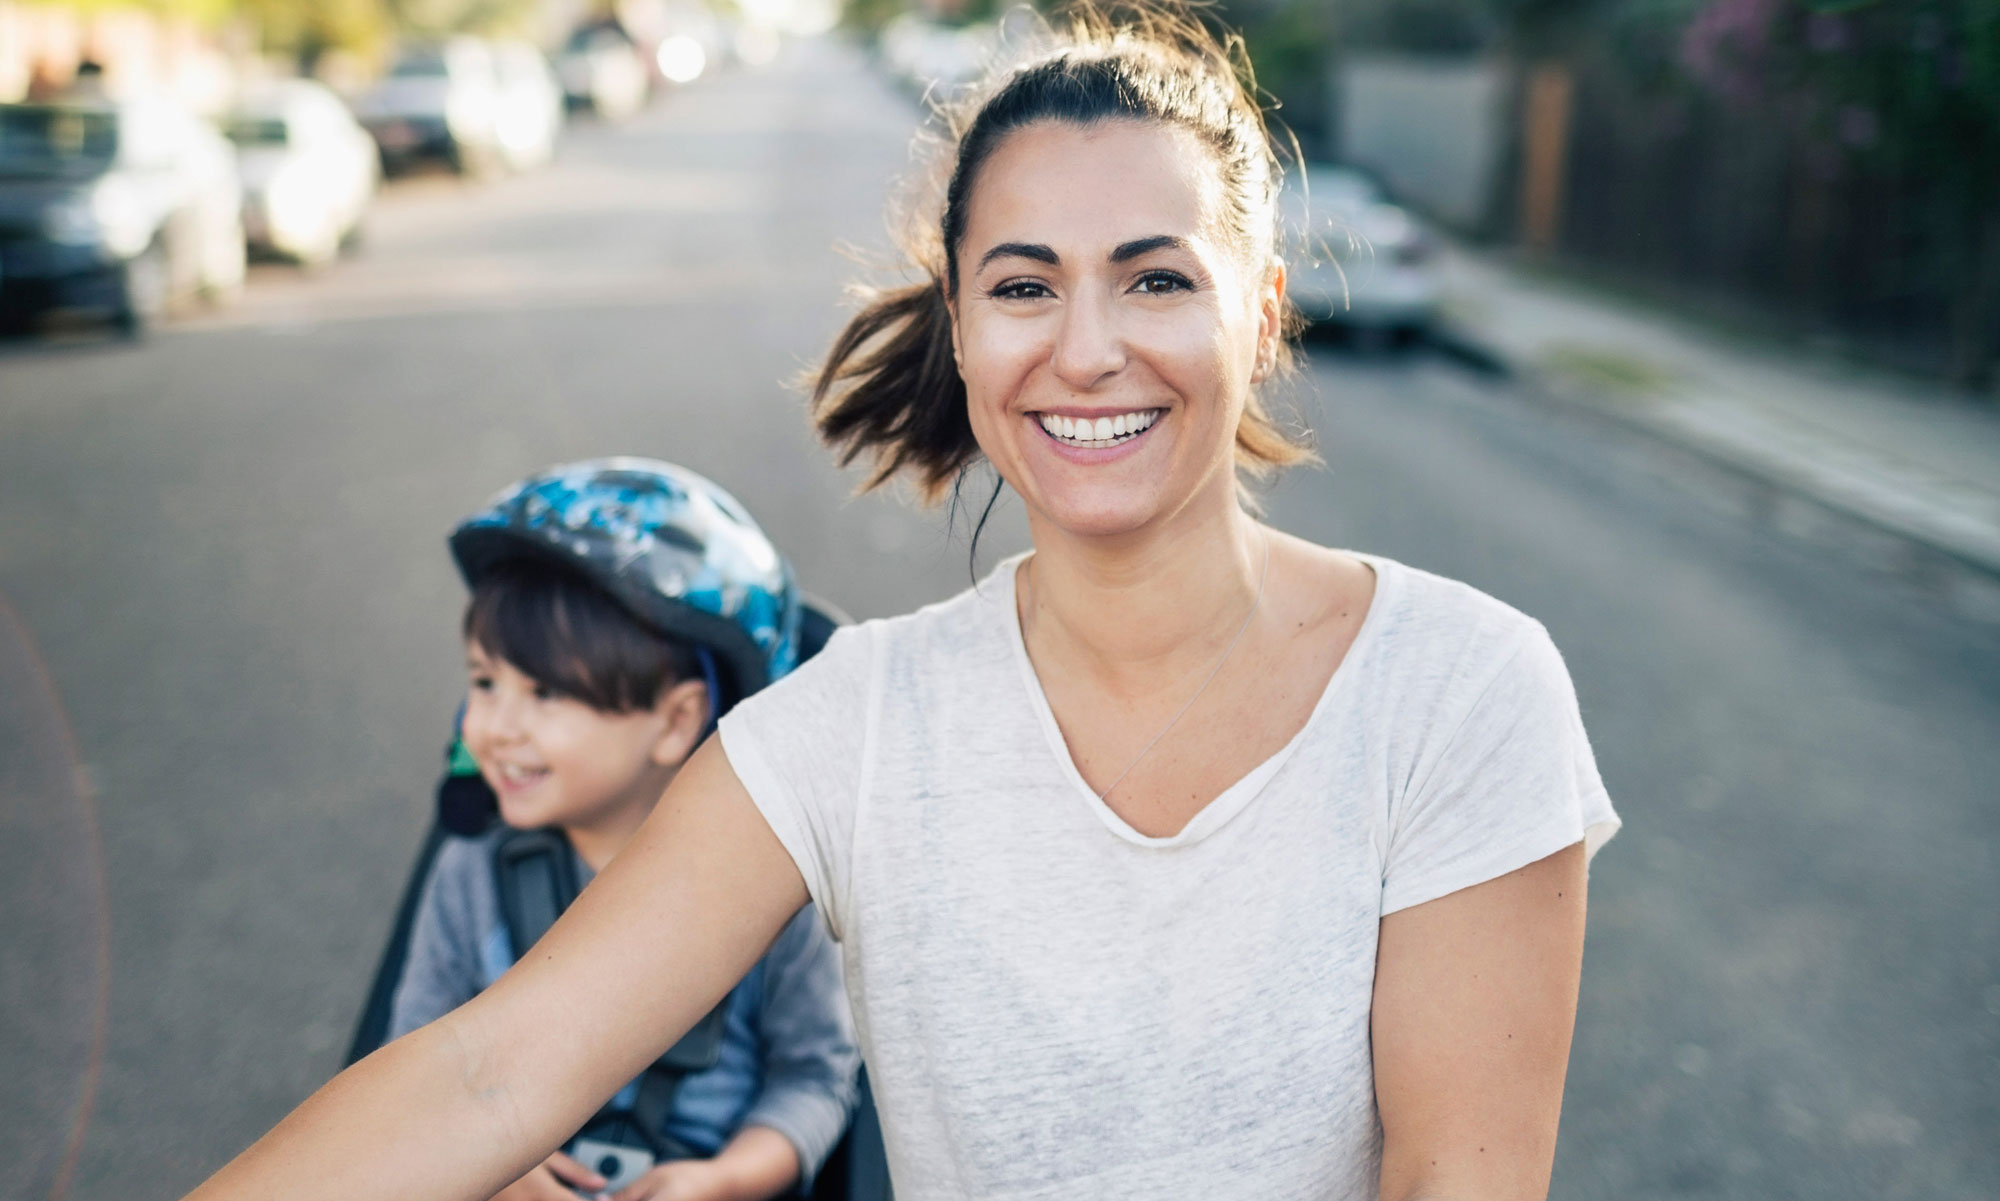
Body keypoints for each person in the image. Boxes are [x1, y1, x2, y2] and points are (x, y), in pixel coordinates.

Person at [186, 6, 1619, 1200]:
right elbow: (492, 1068)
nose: (1087, 348)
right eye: (1023, 286)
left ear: (1262, 309)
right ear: (962, 325)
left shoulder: (1461, 689)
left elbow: (1455, 1178)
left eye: (1156, 278)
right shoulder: (855, 725)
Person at [388, 458, 858, 1201]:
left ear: (675, 720)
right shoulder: (471, 871)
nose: (496, 726)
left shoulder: (778, 894)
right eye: (484, 682)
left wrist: (728, 1178)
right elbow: (408, 1060)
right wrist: (488, 1166)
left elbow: (816, 1076)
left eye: (544, 693)